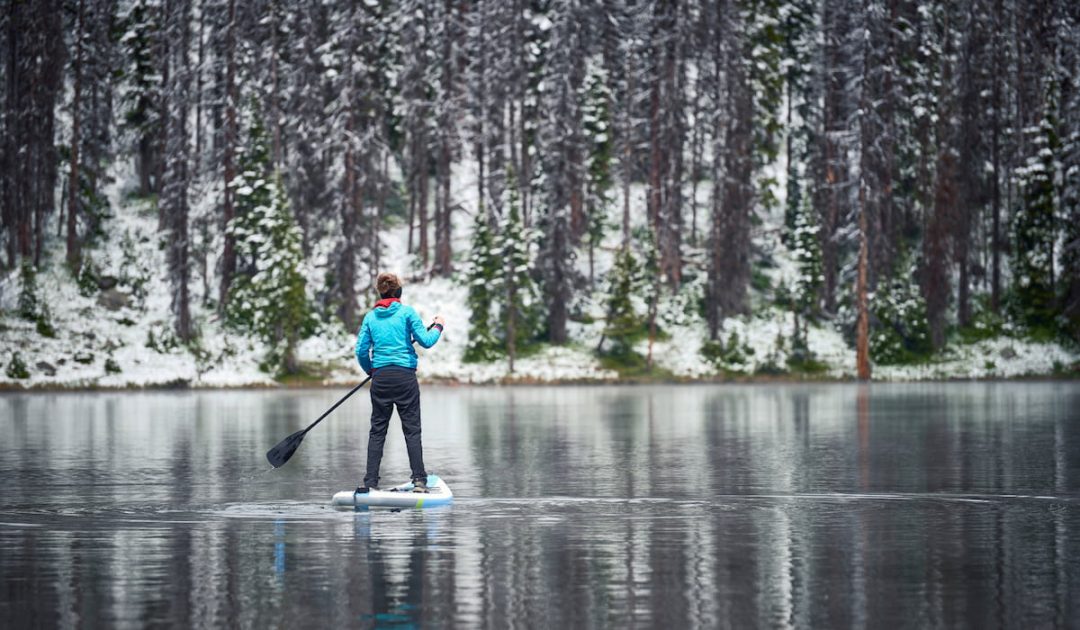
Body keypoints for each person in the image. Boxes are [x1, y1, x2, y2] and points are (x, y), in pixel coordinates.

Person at [354, 272, 445, 493]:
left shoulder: (370, 317)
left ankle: (370, 483)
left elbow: (360, 351)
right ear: (398, 292)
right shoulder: (407, 313)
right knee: (412, 431)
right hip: (405, 378)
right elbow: (426, 341)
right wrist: (439, 326)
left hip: (381, 380)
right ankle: (419, 481)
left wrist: (373, 371)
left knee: (377, 431)